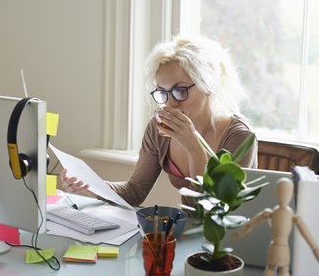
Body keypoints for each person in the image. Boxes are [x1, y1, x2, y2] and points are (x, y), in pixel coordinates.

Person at [60, 35, 258, 208]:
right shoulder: (159, 129)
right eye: (163, 92)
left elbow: (214, 211)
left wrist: (194, 149)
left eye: (180, 91)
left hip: (224, 241)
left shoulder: (240, 137)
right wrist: (89, 184)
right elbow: (135, 191)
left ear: (208, 85)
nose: (170, 104)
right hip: (188, 231)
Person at [233, 178, 319, 276]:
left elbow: (250, 225)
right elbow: (310, 240)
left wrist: (239, 234)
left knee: (271, 268)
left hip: (274, 248)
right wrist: (315, 248)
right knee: (283, 270)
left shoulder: (272, 213)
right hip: (283, 250)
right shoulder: (290, 216)